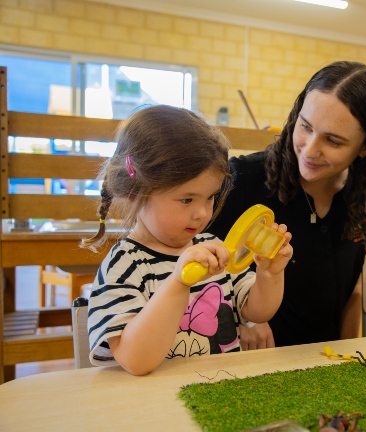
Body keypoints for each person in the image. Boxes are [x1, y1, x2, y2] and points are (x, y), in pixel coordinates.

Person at [82, 105, 293, 376]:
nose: (202, 213)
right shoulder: (124, 266)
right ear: (136, 193)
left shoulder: (210, 246)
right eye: (186, 199)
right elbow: (135, 360)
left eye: (210, 197)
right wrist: (178, 282)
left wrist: (270, 274)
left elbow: (256, 312)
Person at [208, 61, 366, 348]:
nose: (310, 149)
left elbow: (356, 291)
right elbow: (192, 260)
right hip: (249, 360)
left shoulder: (364, 199)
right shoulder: (241, 179)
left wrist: (344, 359)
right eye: (305, 127)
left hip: (322, 359)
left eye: (333, 140)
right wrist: (244, 318)